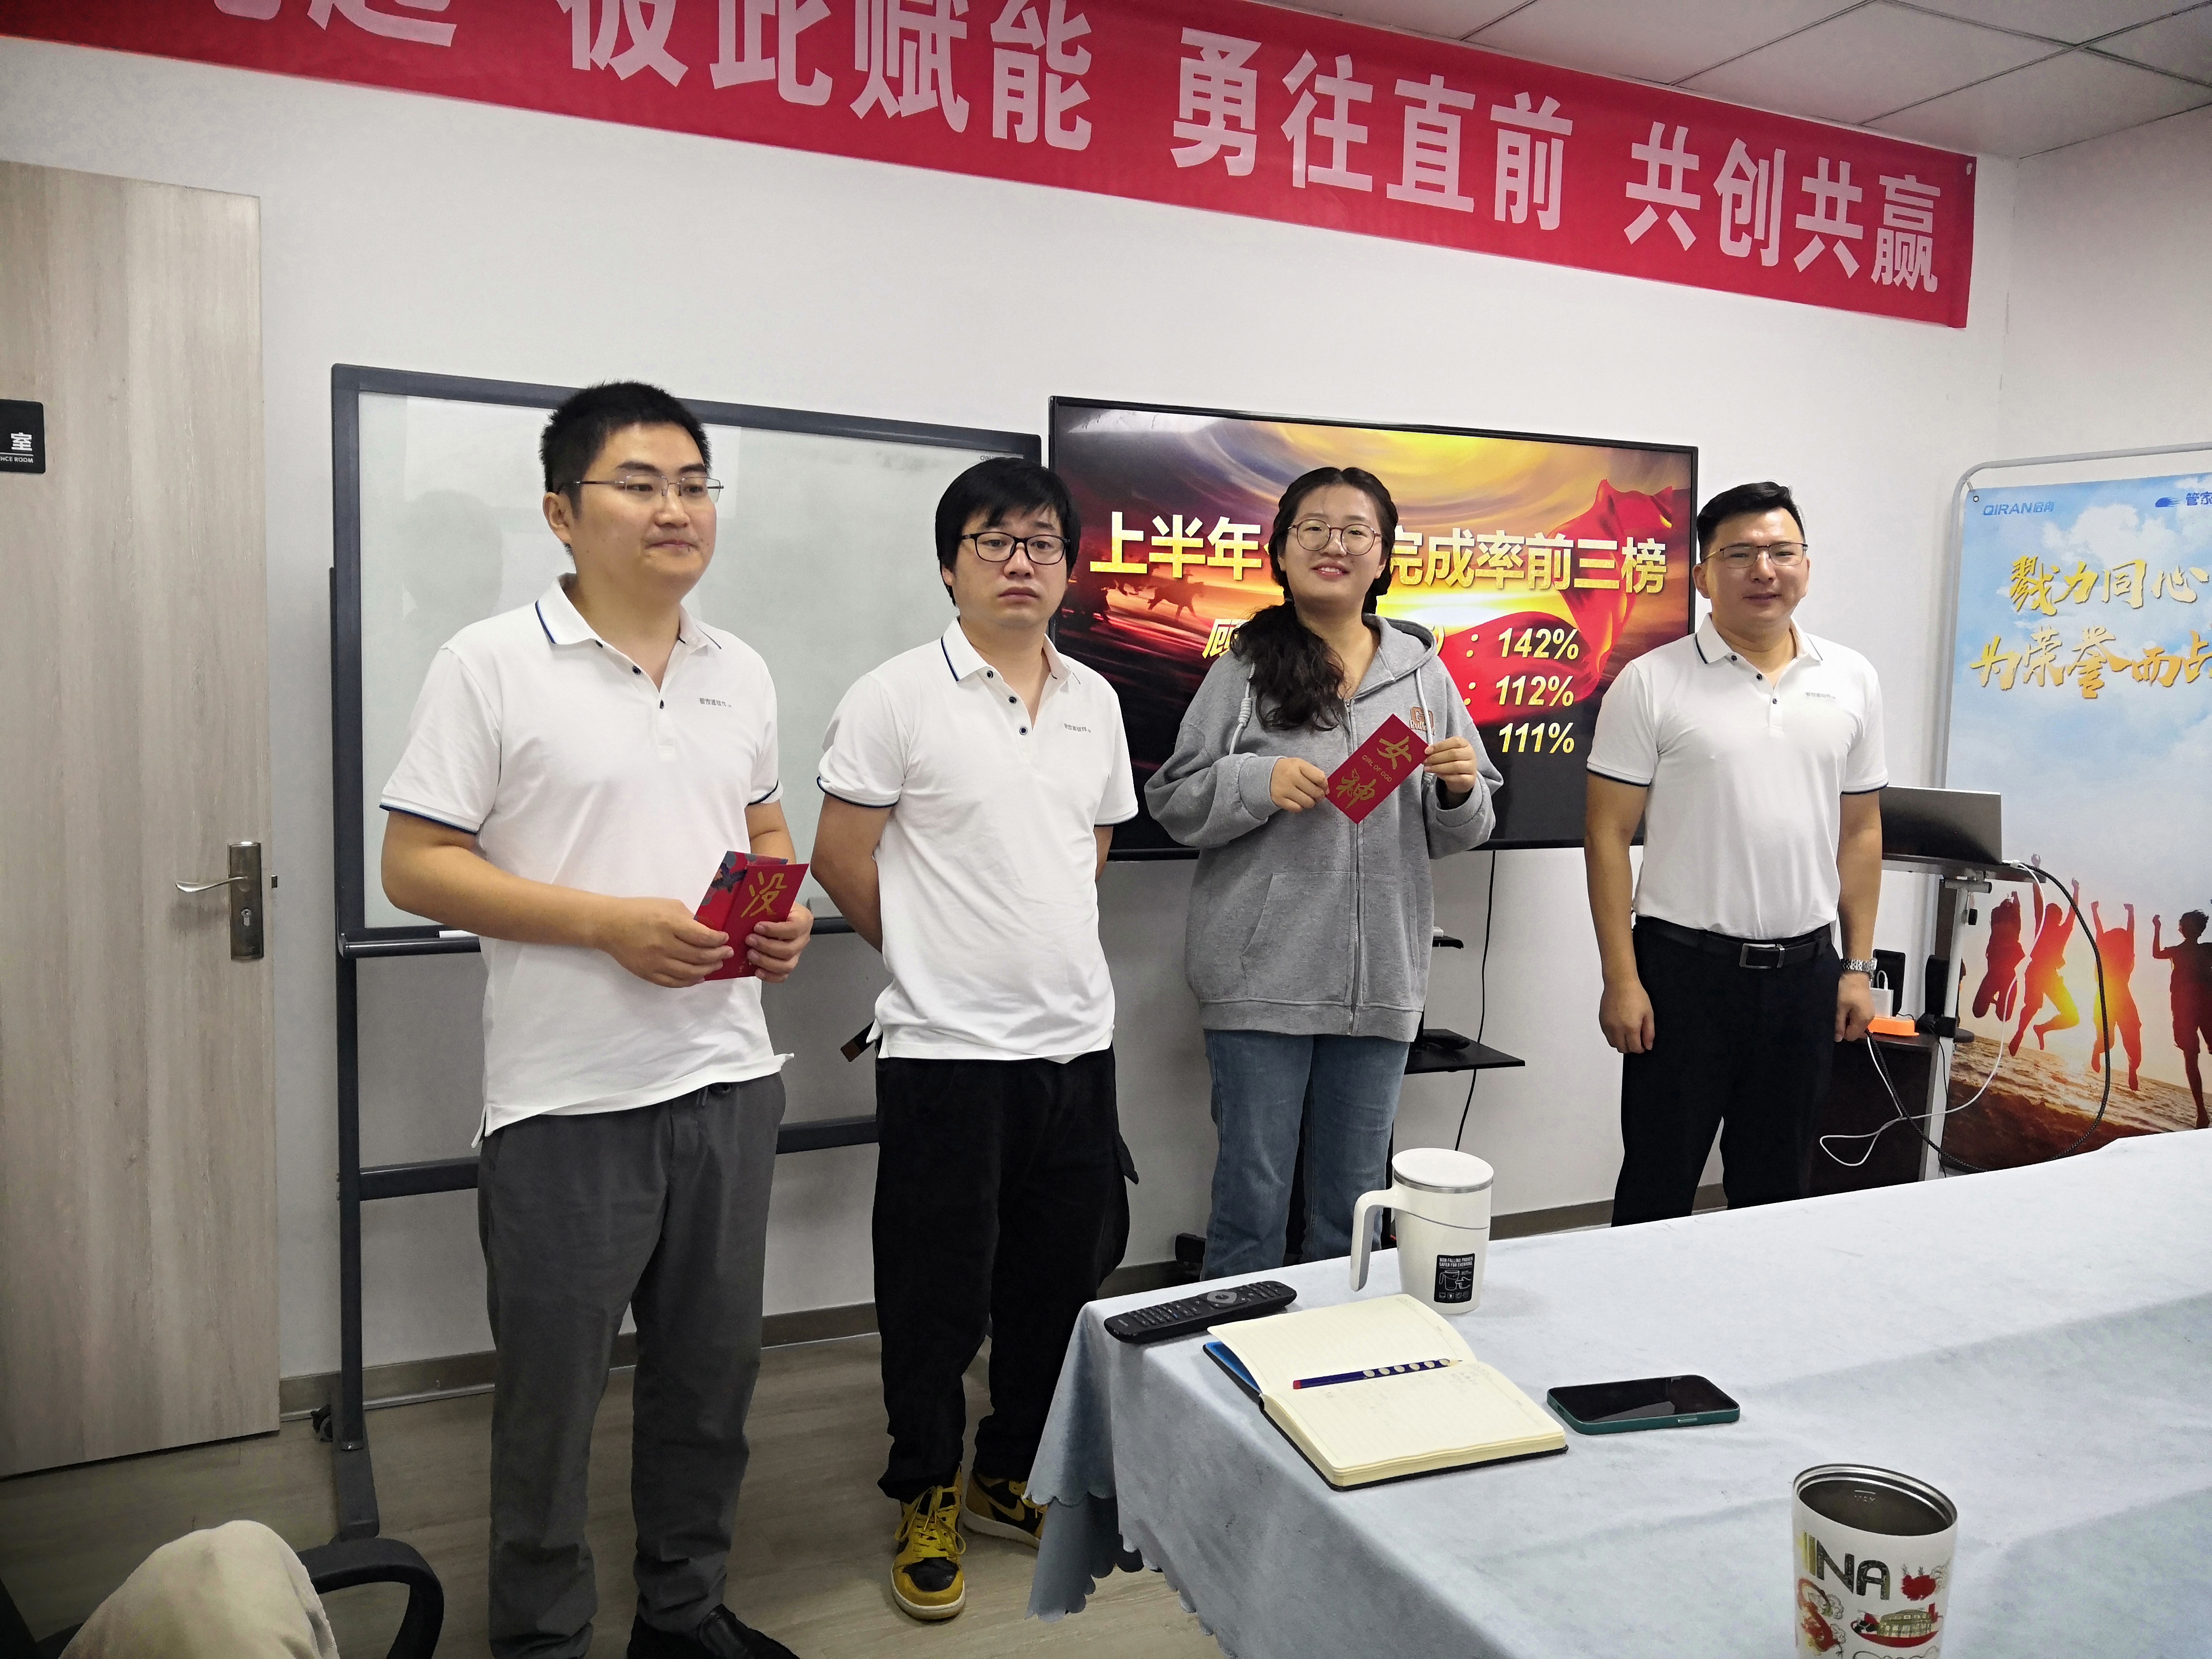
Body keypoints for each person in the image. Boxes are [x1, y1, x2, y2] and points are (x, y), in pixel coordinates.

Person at [380, 383, 813, 1659]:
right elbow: (416, 865)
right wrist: (607, 924)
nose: (676, 508)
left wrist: (779, 911)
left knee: (710, 1388)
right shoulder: (488, 663)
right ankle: (542, 1638)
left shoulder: (741, 669)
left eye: (695, 483)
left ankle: (682, 1614)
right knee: (551, 1408)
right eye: (640, 483)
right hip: (568, 1101)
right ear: (562, 513)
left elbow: (763, 822)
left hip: (729, 1078)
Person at [811, 457, 1136, 1624]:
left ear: (1069, 566)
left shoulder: (1097, 700)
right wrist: (933, 959)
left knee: (1056, 1284)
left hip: (1075, 1045)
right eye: (993, 541)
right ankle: (925, 1490)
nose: (1019, 562)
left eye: (1041, 542)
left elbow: (1090, 844)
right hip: (946, 1054)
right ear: (950, 566)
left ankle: (1009, 1473)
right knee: (935, 1297)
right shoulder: (895, 694)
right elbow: (838, 855)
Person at [1146, 466, 1498, 1277]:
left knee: (1355, 1205)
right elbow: (1173, 800)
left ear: (1384, 556)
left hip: (1381, 983)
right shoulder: (1243, 668)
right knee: (1252, 1201)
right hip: (1260, 978)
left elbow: (1465, 826)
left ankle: (1343, 1343)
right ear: (1281, 549)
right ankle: (1236, 1347)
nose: (1333, 545)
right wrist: (1254, 781)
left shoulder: (1424, 673)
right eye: (1313, 528)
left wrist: (1458, 789)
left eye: (1355, 531)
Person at [1583, 481, 1885, 1225]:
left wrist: (1857, 967)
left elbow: (1860, 833)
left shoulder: (1852, 678)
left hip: (1806, 976)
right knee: (1657, 1185)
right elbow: (1607, 836)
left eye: (1782, 552)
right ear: (1702, 576)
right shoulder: (1651, 682)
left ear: (1806, 567)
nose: (1764, 570)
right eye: (1741, 554)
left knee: (1778, 1193)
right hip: (1683, 975)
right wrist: (1622, 979)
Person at [2151, 910, 2212, 1127]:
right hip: (2185, 1009)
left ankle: (2202, 1112)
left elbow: (2156, 953)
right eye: (2184, 924)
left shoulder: (2206, 949)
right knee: (2191, 1056)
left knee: (2192, 1057)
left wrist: (2157, 928)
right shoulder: (2178, 951)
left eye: (2188, 924)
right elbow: (2156, 954)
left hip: (2204, 1007)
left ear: (2198, 929)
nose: (2185, 928)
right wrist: (2157, 928)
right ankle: (2201, 1112)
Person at [2009, 875, 2080, 1057]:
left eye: (2054, 915)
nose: (2050, 916)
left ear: (2058, 918)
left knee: (2073, 1017)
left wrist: (2076, 891)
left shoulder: (2061, 930)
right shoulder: (2043, 925)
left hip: (2050, 975)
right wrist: (2037, 875)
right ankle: (2020, 1033)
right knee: (2033, 1005)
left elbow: (2072, 913)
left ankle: (2041, 1029)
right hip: (2037, 971)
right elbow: (2039, 902)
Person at [2088, 900, 2141, 1091]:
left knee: (2134, 1048)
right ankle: (2097, 1050)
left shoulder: (2126, 948)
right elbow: (2099, 930)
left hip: (2123, 1001)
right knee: (2108, 1043)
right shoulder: (2103, 947)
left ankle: (2132, 1069)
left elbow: (2130, 932)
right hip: (2105, 1000)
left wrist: (2131, 914)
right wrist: (2095, 911)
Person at [1971, 890, 2025, 1022]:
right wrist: (2014, 899)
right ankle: (1999, 1000)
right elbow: (2015, 910)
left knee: (2002, 1015)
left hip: (2001, 971)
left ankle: (1999, 1000)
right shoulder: (2001, 918)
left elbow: (2016, 910)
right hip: (1999, 970)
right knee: (1986, 1012)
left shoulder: (2004, 919)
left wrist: (2013, 900)